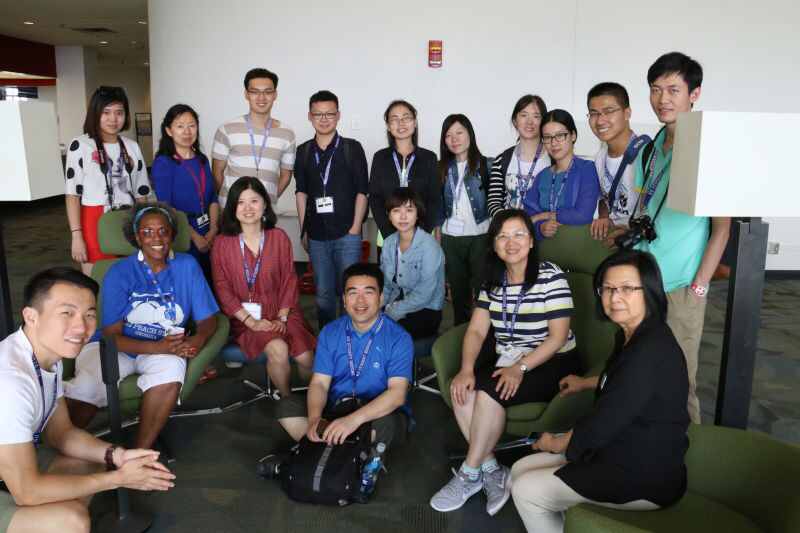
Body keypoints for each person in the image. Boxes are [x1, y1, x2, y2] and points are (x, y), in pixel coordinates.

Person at [511, 250, 690, 533]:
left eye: (627, 288)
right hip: (620, 448)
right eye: (607, 288)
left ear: (650, 291)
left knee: (526, 490)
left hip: (643, 473)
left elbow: (603, 423)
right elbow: (626, 386)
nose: (615, 297)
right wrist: (584, 383)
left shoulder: (646, 352)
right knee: (519, 470)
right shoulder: (637, 335)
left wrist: (556, 443)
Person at [0, 268, 174, 533]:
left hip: (9, 473)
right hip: (17, 484)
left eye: (90, 314)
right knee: (71, 520)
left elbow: (61, 433)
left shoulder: (46, 356)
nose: (82, 327)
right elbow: (27, 492)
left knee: (93, 458)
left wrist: (118, 455)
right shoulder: (11, 381)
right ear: (31, 316)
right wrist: (119, 478)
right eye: (66, 313)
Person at [430, 209, 580, 517]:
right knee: (462, 390)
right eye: (502, 236)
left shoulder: (551, 276)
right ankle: (491, 470)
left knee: (489, 393)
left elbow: (557, 338)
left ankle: (468, 472)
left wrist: (519, 368)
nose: (511, 242)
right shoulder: (493, 281)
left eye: (519, 234)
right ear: (494, 244)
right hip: (509, 357)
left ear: (531, 241)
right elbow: (476, 330)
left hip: (554, 360)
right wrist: (466, 368)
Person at [607, 52, 729, 424]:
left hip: (681, 285)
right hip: (643, 279)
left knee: (680, 379)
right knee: (634, 370)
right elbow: (648, 205)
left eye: (673, 90)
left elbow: (722, 228)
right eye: (656, 89)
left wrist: (699, 287)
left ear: (694, 94)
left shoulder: (708, 149)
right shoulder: (650, 149)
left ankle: (690, 450)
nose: (663, 99)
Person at [64, 203, 219, 449]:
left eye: (163, 231)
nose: (156, 238)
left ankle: (139, 454)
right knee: (87, 386)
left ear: (172, 234)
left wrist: (197, 340)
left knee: (170, 373)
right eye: (147, 232)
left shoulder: (187, 265)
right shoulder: (119, 271)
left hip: (166, 346)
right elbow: (112, 336)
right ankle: (61, 447)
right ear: (136, 236)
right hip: (119, 347)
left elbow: (208, 319)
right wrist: (159, 347)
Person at [274, 263, 412, 452]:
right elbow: (319, 384)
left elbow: (397, 394)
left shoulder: (398, 337)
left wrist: (352, 421)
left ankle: (319, 452)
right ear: (345, 299)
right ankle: (347, 452)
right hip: (336, 407)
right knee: (286, 406)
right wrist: (315, 419)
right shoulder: (330, 331)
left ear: (380, 298)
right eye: (353, 293)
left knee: (389, 425)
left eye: (368, 292)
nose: (360, 300)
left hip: (375, 411)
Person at [211, 177, 316, 397]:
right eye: (240, 202)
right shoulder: (222, 243)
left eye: (254, 201)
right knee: (278, 349)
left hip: (283, 311)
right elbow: (222, 288)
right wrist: (252, 322)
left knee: (306, 357)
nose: (248, 208)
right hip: (245, 317)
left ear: (265, 204)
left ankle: (317, 399)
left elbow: (289, 279)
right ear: (232, 207)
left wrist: (282, 317)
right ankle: (287, 401)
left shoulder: (279, 237)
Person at [294, 90, 369, 330]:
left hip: (347, 232)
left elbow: (362, 191)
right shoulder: (304, 151)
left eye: (329, 114)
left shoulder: (351, 148)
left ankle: (351, 337)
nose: (324, 119)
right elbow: (301, 191)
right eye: (318, 114)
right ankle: (328, 337)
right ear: (310, 116)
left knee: (350, 292)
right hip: (316, 235)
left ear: (338, 115)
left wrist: (355, 228)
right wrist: (303, 229)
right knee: (323, 295)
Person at [65, 85, 151, 276]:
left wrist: (144, 229)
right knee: (96, 278)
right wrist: (76, 236)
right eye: (106, 112)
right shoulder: (80, 145)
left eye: (119, 113)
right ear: (95, 113)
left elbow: (141, 194)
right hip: (94, 217)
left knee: (130, 278)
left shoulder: (132, 147)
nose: (113, 118)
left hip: (129, 217)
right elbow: (72, 195)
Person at [152, 103, 219, 282]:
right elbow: (167, 207)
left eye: (192, 125)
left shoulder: (202, 160)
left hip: (208, 231)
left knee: (212, 282)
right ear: (168, 130)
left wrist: (213, 230)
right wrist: (195, 237)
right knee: (189, 283)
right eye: (180, 126)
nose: (187, 131)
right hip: (182, 232)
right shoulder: (163, 163)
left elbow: (213, 198)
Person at [211, 68, 295, 207]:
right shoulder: (226, 130)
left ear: (275, 95)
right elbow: (216, 173)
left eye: (268, 92)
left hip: (266, 212)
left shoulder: (287, 134)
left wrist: (268, 200)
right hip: (231, 210)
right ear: (246, 94)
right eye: (255, 92)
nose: (261, 98)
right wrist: (227, 203)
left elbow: (286, 176)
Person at [438, 114, 492, 326]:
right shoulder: (442, 168)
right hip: (451, 238)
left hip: (481, 236)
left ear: (470, 134)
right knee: (458, 293)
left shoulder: (487, 165)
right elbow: (438, 205)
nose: (454, 139)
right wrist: (438, 237)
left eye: (459, 132)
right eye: (448, 135)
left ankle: (487, 336)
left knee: (485, 292)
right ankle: (461, 333)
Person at [369, 100, 441, 255]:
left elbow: (434, 199)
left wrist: (420, 235)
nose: (401, 123)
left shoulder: (429, 158)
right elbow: (375, 198)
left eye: (406, 117)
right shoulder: (380, 158)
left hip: (422, 237)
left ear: (415, 122)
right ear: (388, 126)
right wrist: (390, 235)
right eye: (394, 119)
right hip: (387, 237)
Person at [523, 109, 600, 240]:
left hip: (577, 245)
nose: (554, 143)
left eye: (560, 135)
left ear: (573, 135)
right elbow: (528, 220)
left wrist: (547, 216)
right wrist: (541, 227)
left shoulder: (586, 169)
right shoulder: (542, 175)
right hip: (544, 248)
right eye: (547, 137)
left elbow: (583, 215)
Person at [586, 83, 649, 245]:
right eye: (593, 113)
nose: (600, 120)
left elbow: (656, 209)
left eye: (608, 112)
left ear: (627, 113)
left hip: (640, 242)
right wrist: (603, 216)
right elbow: (604, 197)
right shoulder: (600, 156)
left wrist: (633, 231)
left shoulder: (646, 153)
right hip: (614, 239)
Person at [380, 187, 444, 339]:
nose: (403, 216)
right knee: (365, 323)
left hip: (426, 310)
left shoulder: (429, 246)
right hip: (397, 302)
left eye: (409, 210)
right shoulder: (388, 243)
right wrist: (378, 307)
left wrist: (390, 313)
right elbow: (386, 285)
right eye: (396, 210)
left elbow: (424, 293)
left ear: (417, 214)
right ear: (388, 215)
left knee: (385, 333)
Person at [487, 95, 552, 216]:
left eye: (536, 116)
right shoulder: (502, 159)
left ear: (544, 122)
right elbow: (493, 202)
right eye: (524, 115)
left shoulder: (553, 158)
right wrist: (510, 222)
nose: (529, 121)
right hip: (509, 226)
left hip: (542, 226)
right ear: (515, 121)